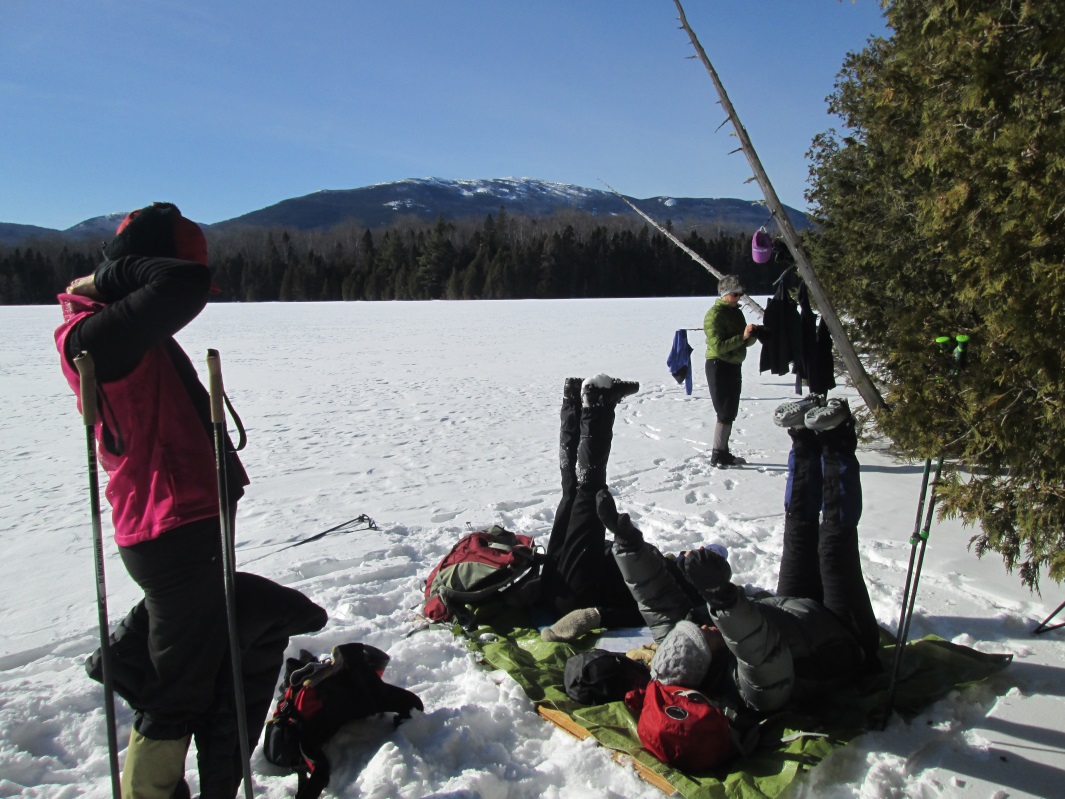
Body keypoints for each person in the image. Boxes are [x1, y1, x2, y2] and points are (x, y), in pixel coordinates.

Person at [55, 203, 327, 799]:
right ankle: (148, 781)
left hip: (181, 526)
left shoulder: (117, 327)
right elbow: (182, 285)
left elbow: (179, 286)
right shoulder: (97, 332)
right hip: (168, 529)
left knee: (229, 648)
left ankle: (145, 666)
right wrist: (100, 278)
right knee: (176, 694)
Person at [596, 396, 880, 731]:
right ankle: (839, 438)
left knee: (798, 532)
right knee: (834, 543)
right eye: (703, 637)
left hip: (792, 612)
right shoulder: (752, 689)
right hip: (842, 638)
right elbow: (753, 644)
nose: (701, 627)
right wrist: (719, 595)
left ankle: (803, 438)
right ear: (710, 659)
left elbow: (653, 598)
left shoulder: (686, 646)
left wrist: (626, 543)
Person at [531, 375, 645, 642]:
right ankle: (574, 401)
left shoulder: (678, 594)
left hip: (578, 595)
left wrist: (594, 617)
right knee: (572, 492)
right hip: (561, 582)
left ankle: (596, 402)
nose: (693, 551)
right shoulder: (672, 576)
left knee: (585, 491)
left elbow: (649, 612)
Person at [704, 275, 759, 467]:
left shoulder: (736, 312)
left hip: (734, 365)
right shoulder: (714, 315)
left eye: (740, 295)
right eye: (736, 294)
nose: (739, 298)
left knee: (731, 411)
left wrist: (752, 335)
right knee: (724, 411)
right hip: (718, 365)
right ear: (725, 294)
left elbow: (743, 341)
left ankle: (723, 452)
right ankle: (717, 454)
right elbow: (718, 347)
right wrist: (742, 337)